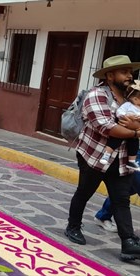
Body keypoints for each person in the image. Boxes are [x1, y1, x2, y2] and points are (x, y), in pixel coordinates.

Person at [65, 55, 140, 260]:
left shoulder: (131, 97)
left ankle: (128, 243)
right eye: (124, 72)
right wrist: (136, 132)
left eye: (129, 72)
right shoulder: (96, 95)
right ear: (109, 75)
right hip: (95, 156)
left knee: (121, 200)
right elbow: (108, 127)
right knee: (84, 192)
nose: (129, 75)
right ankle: (73, 226)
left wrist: (134, 128)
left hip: (122, 159)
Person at [99, 80, 140, 170]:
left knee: (134, 144)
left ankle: (131, 161)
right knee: (115, 140)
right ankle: (107, 154)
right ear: (135, 99)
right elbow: (119, 111)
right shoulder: (128, 105)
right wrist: (125, 115)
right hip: (122, 127)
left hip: (134, 131)